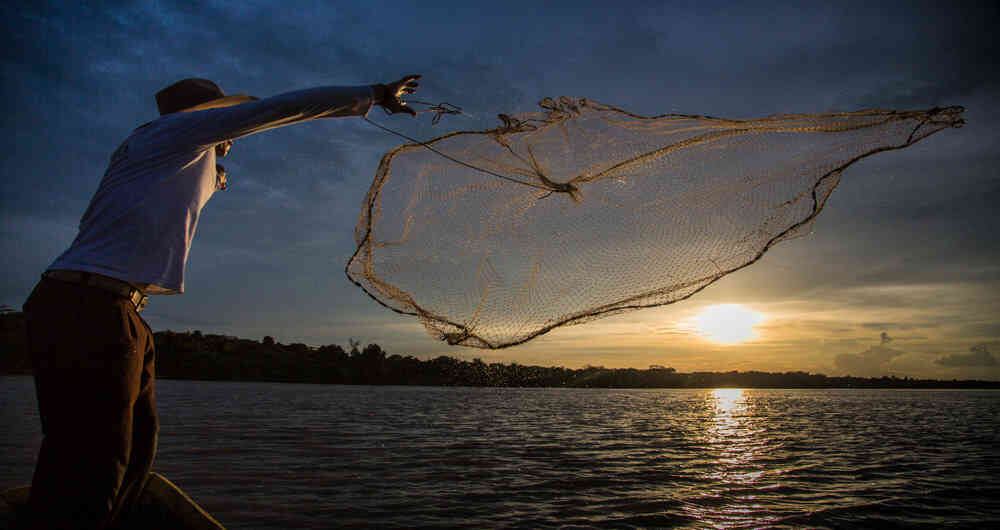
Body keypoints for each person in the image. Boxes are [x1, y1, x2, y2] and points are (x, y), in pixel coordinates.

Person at [20, 74, 421, 529]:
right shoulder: (173, 132)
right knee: (93, 460)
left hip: (112, 309)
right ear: (207, 115)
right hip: (90, 309)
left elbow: (178, 190)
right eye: (226, 121)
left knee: (135, 449)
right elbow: (278, 110)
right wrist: (373, 95)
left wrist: (216, 177)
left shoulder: (166, 153)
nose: (232, 139)